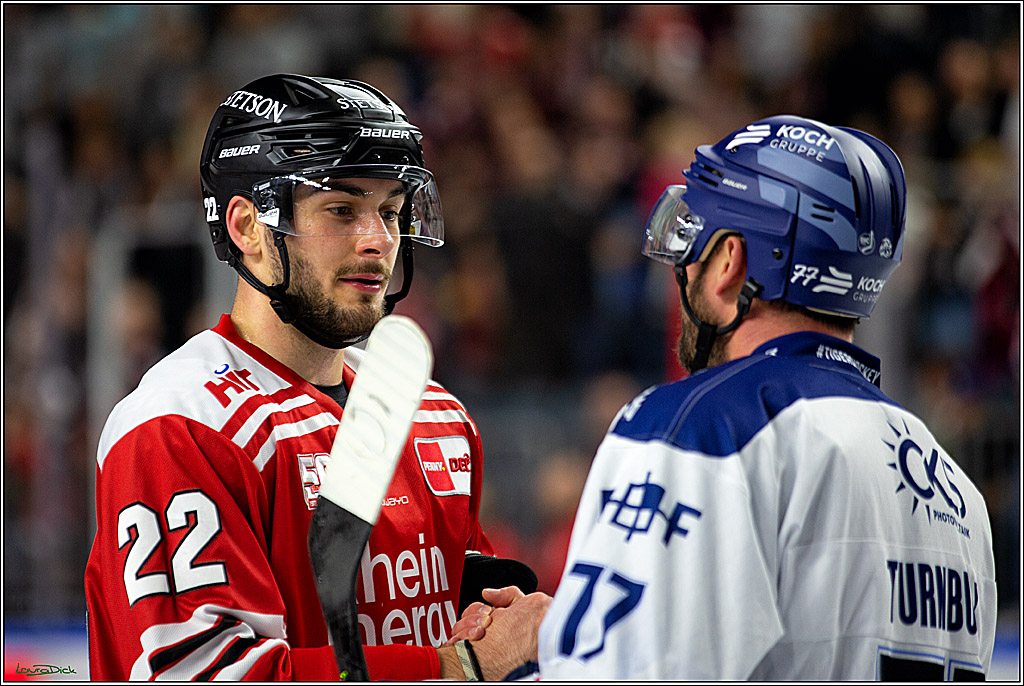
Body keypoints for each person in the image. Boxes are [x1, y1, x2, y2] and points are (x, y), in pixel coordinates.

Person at [463, 115, 998, 679]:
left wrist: (506, 663)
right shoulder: (954, 489)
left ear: (728, 263)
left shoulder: (699, 425)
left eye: (694, 241)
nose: (682, 265)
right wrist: (570, 633)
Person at [84, 73, 535, 681]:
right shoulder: (179, 427)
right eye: (342, 209)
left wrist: (506, 625)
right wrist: (456, 667)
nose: (378, 240)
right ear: (247, 228)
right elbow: (203, 674)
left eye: (391, 212)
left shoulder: (433, 413)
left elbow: (460, 623)